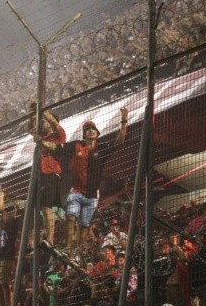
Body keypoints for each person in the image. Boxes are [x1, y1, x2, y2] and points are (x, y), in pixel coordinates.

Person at [63, 107, 129, 254]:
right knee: (70, 217)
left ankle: (78, 253)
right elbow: (59, 147)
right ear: (84, 134)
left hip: (92, 195)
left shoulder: (102, 149)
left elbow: (120, 140)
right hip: (76, 191)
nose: (91, 131)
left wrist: (124, 120)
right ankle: (68, 249)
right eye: (88, 129)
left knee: (84, 225)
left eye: (93, 129)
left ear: (97, 134)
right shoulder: (76, 146)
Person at [27, 106, 67, 246]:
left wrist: (42, 110)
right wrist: (32, 115)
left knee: (46, 207)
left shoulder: (59, 135)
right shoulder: (41, 136)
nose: (43, 122)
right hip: (38, 175)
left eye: (45, 120)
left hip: (50, 174)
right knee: (31, 209)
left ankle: (50, 239)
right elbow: (29, 129)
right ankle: (31, 242)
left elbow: (55, 123)